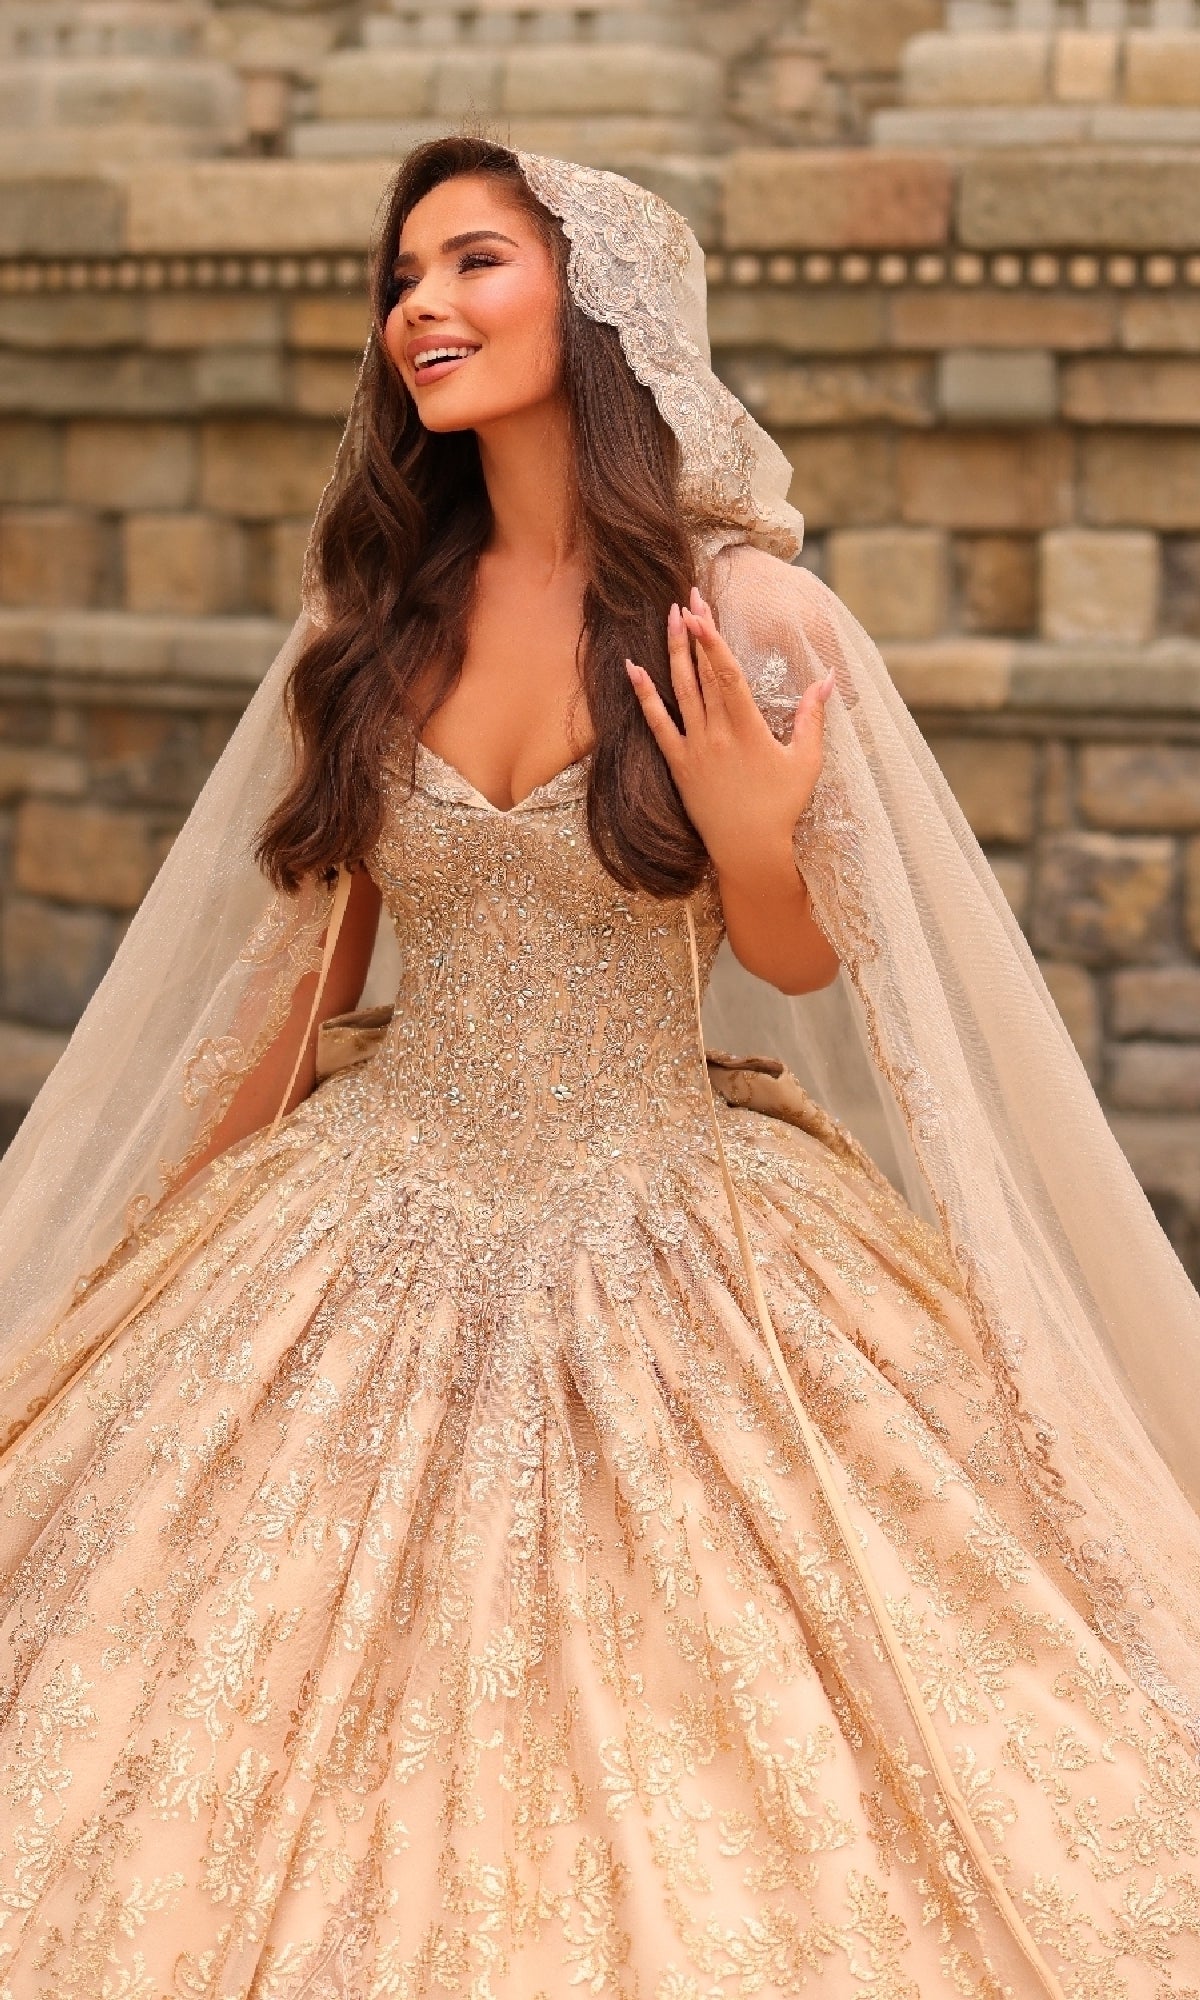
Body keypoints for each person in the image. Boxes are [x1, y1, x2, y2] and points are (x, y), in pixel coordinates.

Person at [0, 137, 1197, 1999]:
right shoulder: (368, 632)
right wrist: (114, 1292)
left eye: (474, 261)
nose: (421, 307)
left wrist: (750, 833)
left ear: (604, 300)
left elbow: (802, 963)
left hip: (669, 1216)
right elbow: (294, 987)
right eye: (403, 275)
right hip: (368, 1208)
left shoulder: (752, 622)